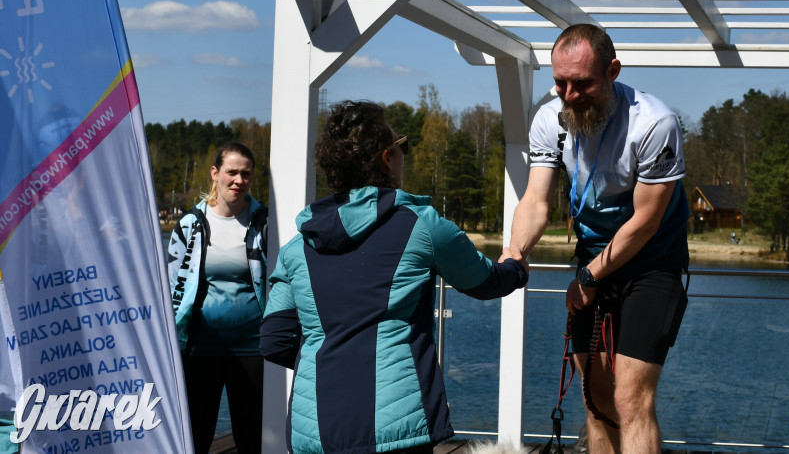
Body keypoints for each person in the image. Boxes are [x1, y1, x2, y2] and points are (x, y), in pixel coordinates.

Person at [261, 100, 529, 454]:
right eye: (401, 146)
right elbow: (484, 281)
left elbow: (274, 339)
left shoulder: (297, 247)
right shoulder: (421, 225)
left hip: (316, 431)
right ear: (387, 158)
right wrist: (517, 268)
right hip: (398, 425)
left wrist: (328, 355)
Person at [506, 24, 689, 454]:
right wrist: (514, 253)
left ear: (613, 71)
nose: (569, 95)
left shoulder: (655, 123)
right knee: (595, 398)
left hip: (651, 263)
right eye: (560, 82)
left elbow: (645, 222)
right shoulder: (549, 118)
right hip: (592, 261)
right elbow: (535, 200)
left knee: (631, 399)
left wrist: (588, 277)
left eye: (582, 83)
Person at [167, 142, 268, 454]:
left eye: (246, 174)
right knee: (197, 434)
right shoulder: (190, 224)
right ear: (215, 173)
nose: (238, 180)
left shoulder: (265, 222)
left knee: (252, 436)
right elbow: (172, 288)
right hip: (201, 348)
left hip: (253, 347)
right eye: (231, 172)